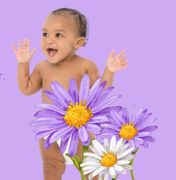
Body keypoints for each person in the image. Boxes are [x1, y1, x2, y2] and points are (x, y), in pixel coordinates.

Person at [12, 8, 128, 180]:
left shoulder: (86, 65)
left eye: (58, 35)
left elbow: (100, 93)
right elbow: (26, 89)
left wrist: (109, 71)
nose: (49, 40)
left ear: (78, 42)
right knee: (51, 168)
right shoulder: (42, 67)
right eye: (45, 34)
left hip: (81, 130)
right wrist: (23, 64)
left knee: (90, 168)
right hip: (49, 130)